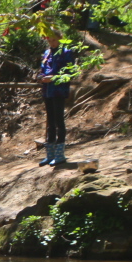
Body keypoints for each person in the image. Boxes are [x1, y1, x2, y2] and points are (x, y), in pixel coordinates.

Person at [40, 30, 77, 167]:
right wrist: (40, 77)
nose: (52, 43)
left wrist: (54, 77)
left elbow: (70, 72)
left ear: (60, 39)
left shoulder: (66, 52)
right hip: (47, 91)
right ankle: (50, 155)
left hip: (58, 90)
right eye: (49, 41)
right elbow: (43, 69)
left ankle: (60, 154)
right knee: (50, 121)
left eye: (54, 40)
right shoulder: (47, 53)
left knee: (58, 120)